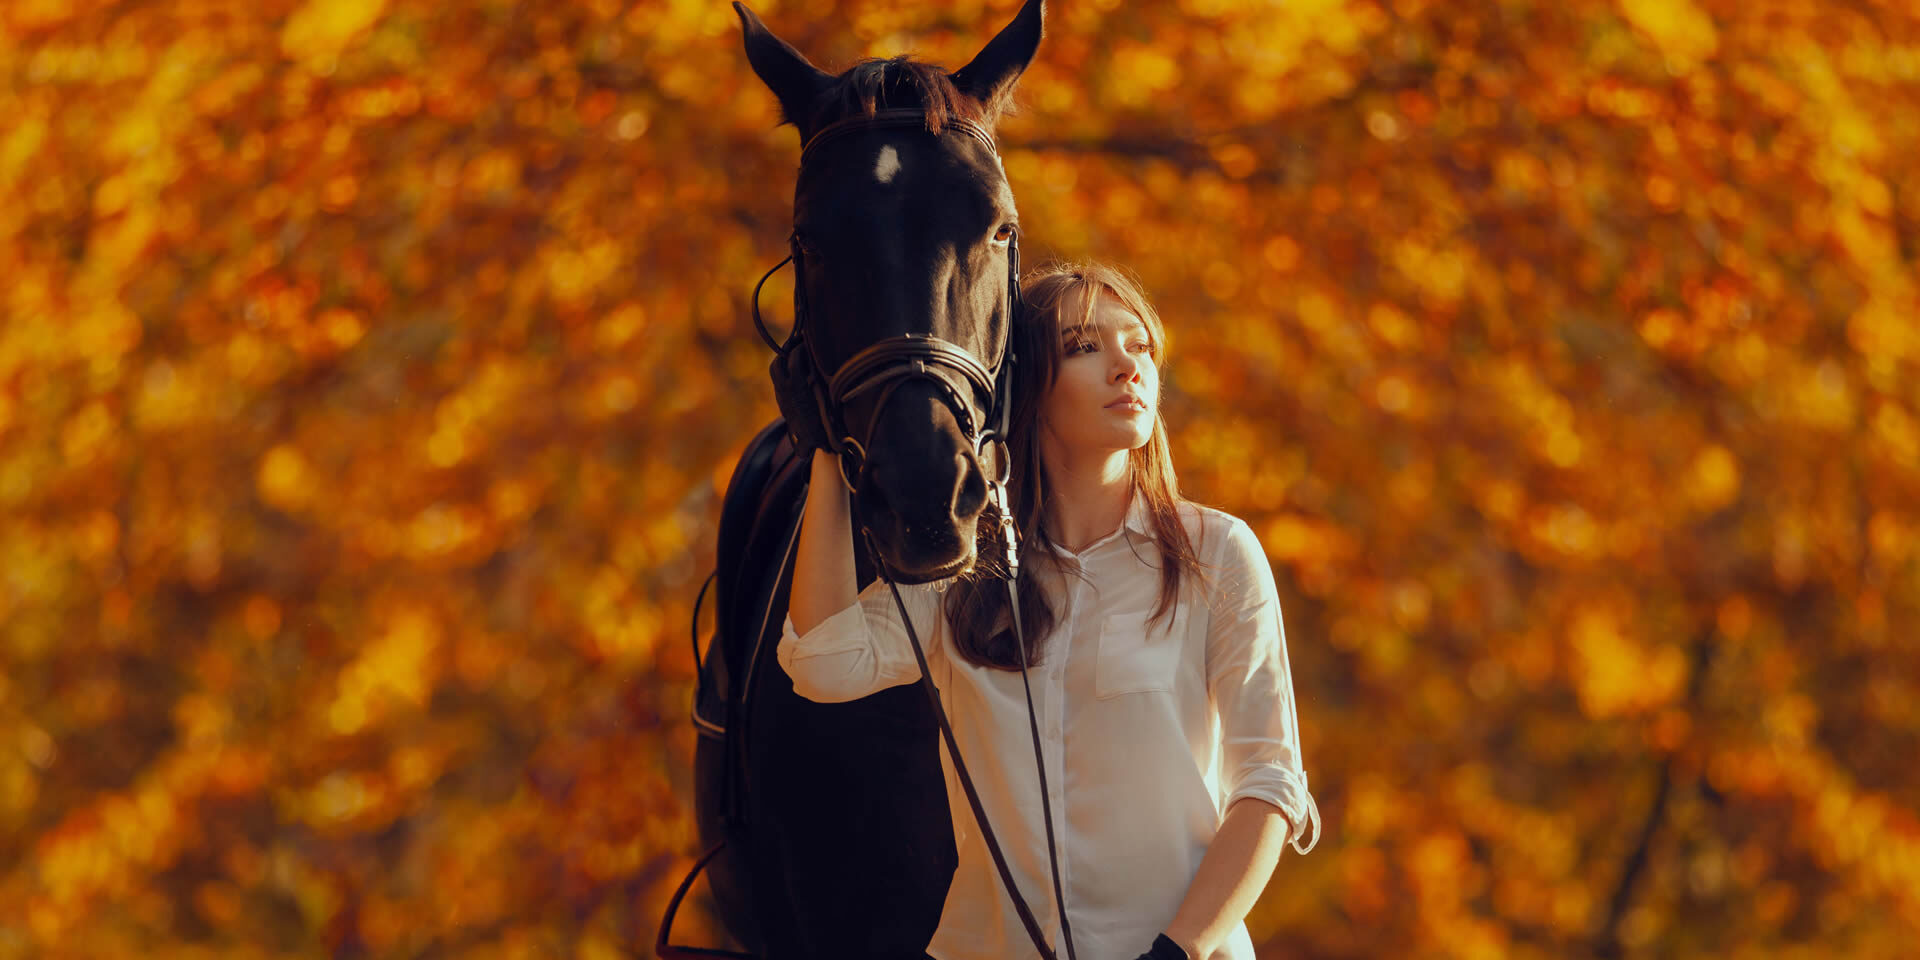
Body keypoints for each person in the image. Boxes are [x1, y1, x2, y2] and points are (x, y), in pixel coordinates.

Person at [778, 261, 1320, 960]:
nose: (1128, 367)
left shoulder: (1214, 554)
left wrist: (1176, 952)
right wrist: (827, 452)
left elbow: (1269, 785)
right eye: (1086, 348)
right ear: (1024, 388)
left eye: (1140, 345)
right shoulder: (964, 571)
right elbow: (824, 661)